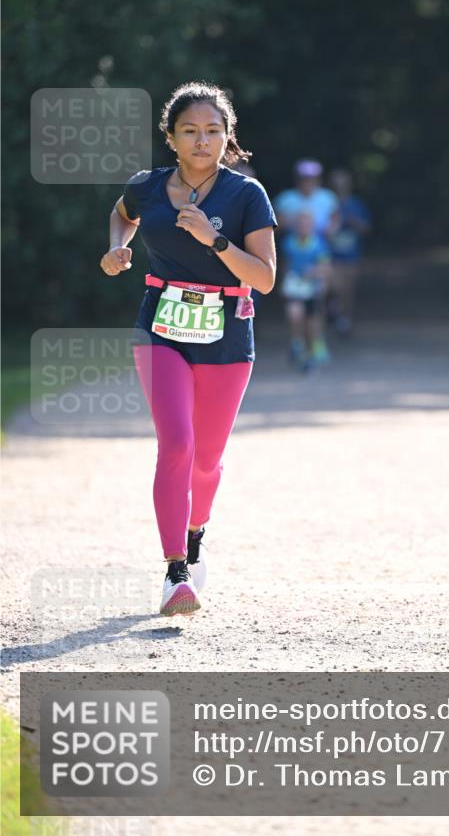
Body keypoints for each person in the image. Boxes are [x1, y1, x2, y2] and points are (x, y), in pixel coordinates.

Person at [100, 82, 277, 617]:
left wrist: (215, 241)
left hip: (227, 333)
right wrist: (118, 247)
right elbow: (122, 215)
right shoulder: (147, 187)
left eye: (213, 131)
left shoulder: (247, 195)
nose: (203, 140)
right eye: (191, 131)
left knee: (207, 459)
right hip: (160, 326)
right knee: (176, 444)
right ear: (171, 138)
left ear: (228, 137)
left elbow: (265, 279)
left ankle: (196, 535)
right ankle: (176, 572)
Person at [280, 210, 332, 370]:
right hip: (295, 288)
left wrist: (315, 273)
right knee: (295, 314)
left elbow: (325, 268)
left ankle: (316, 346)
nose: (303, 227)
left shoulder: (319, 244)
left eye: (306, 224)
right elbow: (284, 265)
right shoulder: (288, 243)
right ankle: (298, 345)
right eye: (300, 224)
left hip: (312, 289)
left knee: (312, 322)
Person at [327, 168, 372, 336]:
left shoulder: (356, 204)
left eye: (343, 181)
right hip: (331, 255)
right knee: (334, 287)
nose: (340, 185)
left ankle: (345, 319)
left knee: (348, 289)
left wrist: (354, 222)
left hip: (352, 254)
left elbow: (367, 228)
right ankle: (333, 310)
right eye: (336, 181)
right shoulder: (328, 202)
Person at [274, 159, 339, 239]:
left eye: (311, 178)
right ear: (297, 179)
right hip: (291, 241)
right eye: (304, 178)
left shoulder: (328, 197)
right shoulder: (285, 198)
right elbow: (275, 226)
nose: (307, 182)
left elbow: (336, 218)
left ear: (318, 179)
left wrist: (331, 231)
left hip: (322, 241)